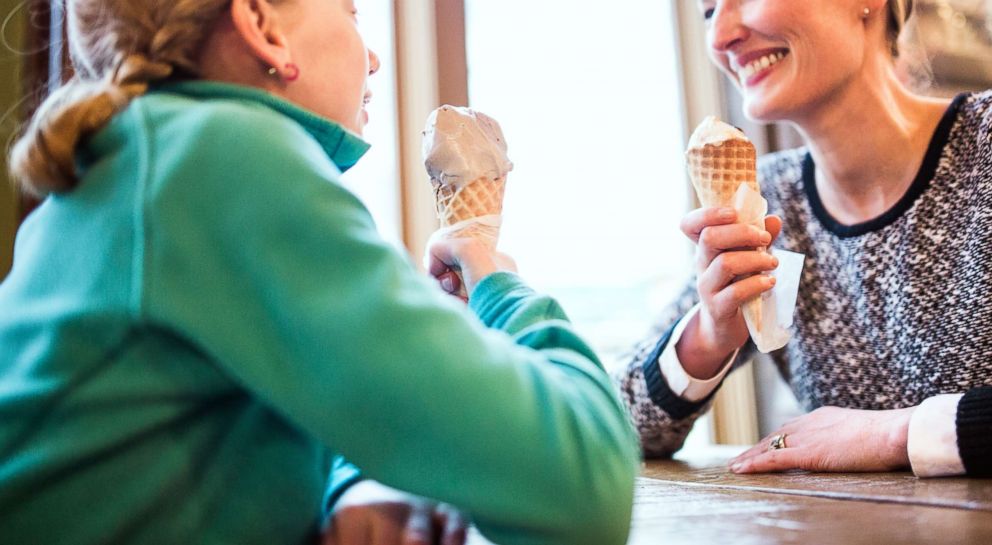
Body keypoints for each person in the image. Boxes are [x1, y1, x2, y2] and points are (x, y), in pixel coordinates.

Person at [0, 1, 640, 544]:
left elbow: (245, 412)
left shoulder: (133, 165)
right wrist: (501, 286)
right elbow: (587, 485)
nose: (374, 59)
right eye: (351, 11)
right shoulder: (224, 157)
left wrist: (353, 480)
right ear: (262, 25)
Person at [616, 0, 992, 478]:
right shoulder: (767, 202)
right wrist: (709, 338)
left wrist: (895, 434)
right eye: (708, 12)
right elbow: (610, 426)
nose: (720, 36)